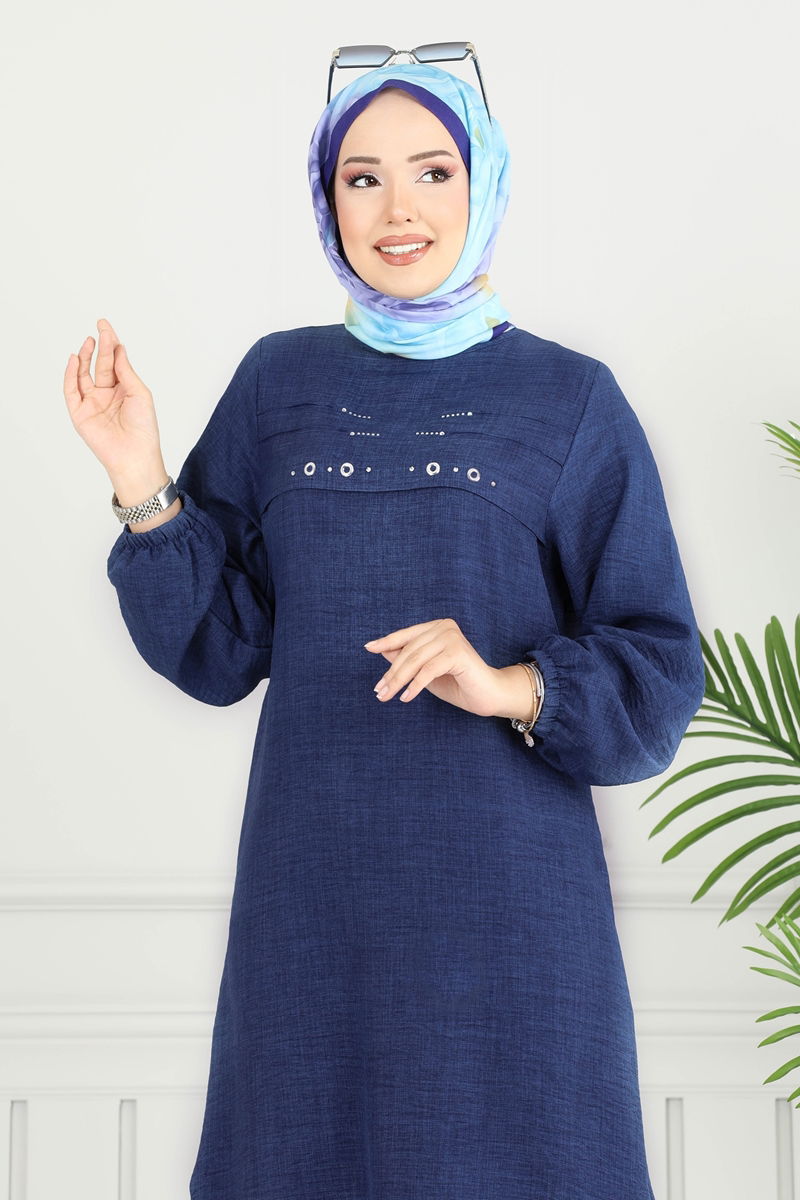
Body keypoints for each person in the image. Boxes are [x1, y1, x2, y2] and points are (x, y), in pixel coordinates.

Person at [63, 54, 705, 1200]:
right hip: (311, 902)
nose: (397, 208)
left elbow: (656, 671)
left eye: (431, 171)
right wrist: (139, 475)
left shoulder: (571, 399)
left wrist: (508, 684)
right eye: (360, 177)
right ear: (327, 199)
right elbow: (218, 649)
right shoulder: (277, 385)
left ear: (483, 183)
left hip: (508, 908)